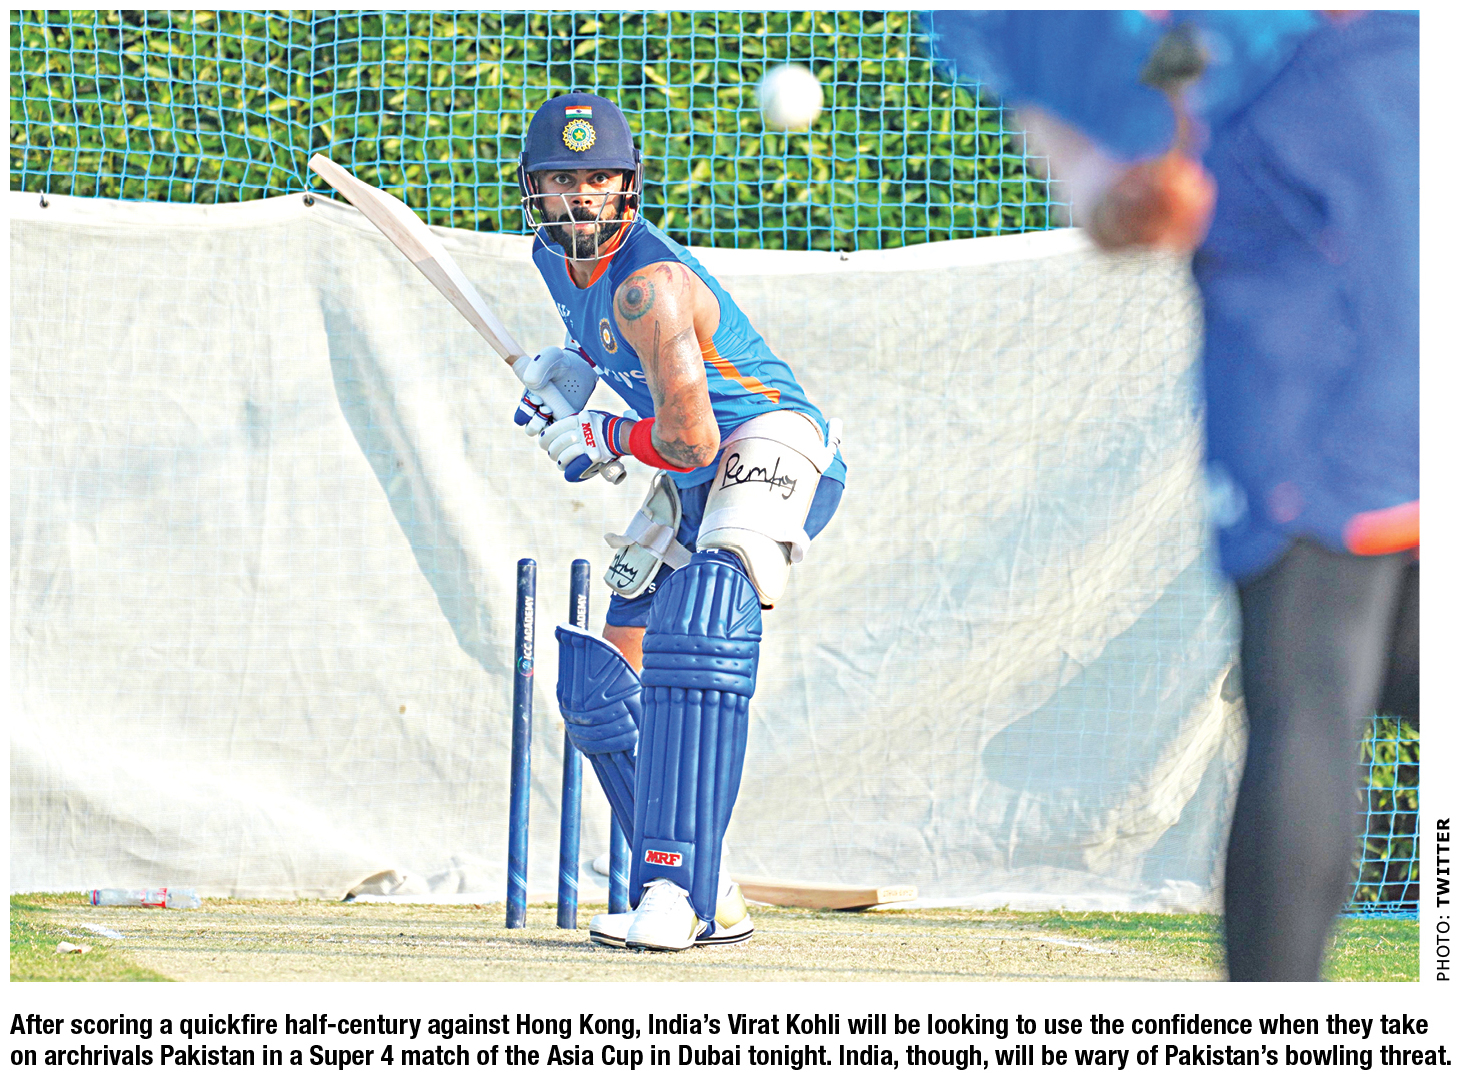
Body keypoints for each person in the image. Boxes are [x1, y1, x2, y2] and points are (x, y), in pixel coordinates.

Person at [928, 11, 1419, 980]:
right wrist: (1151, 191)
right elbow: (1118, 202)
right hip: (1362, 202)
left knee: (1309, 684)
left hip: (1329, 258)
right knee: (1396, 660)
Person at [510, 92, 847, 951]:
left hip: (766, 443)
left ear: (627, 185)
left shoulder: (650, 287)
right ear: (533, 188)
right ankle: (713, 889)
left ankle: (673, 894)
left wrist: (602, 435)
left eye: (597, 179)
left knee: (697, 628)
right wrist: (573, 372)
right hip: (693, 476)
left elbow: (691, 437)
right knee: (600, 691)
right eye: (561, 180)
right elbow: (618, 360)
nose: (580, 197)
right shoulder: (552, 260)